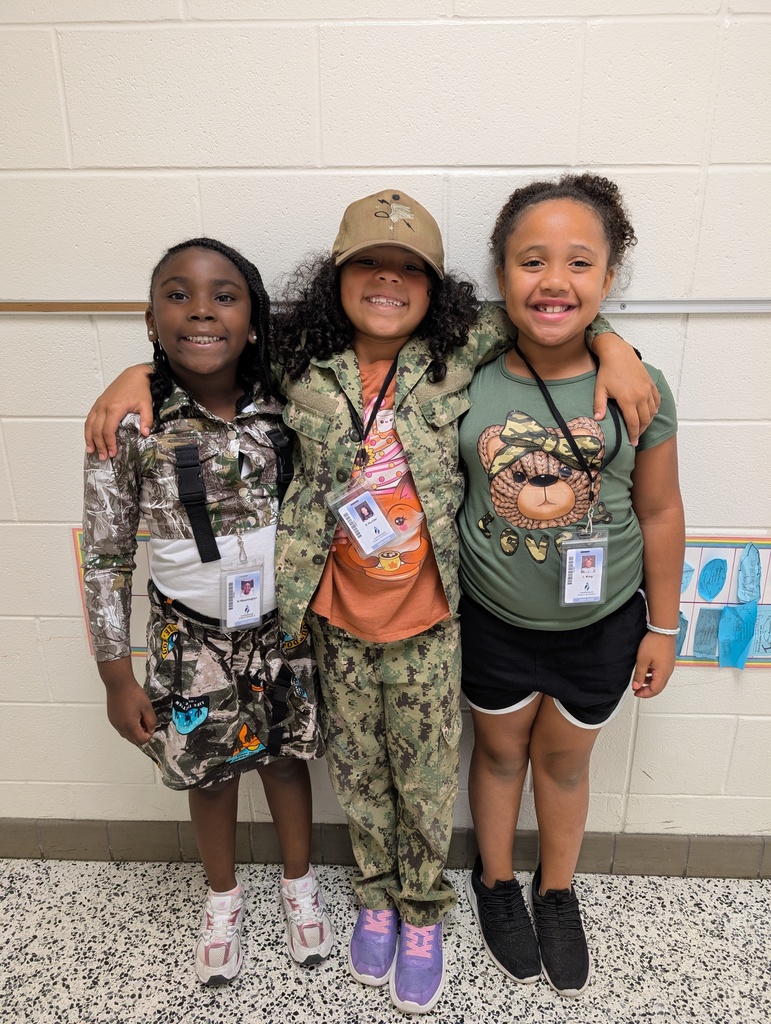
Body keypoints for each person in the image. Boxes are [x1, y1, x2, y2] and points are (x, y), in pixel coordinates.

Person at [83, 190, 658, 1015]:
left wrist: (615, 344)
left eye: (409, 271)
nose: (387, 282)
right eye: (368, 267)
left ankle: (423, 914)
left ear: (436, 288)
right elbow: (205, 346)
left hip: (429, 625)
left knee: (424, 783)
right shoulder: (295, 365)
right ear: (336, 278)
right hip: (332, 624)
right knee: (358, 777)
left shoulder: (460, 349)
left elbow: (553, 316)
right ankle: (377, 900)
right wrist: (134, 369)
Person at [81, 238, 334, 988]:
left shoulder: (289, 406)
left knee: (287, 762)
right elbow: (104, 556)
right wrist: (114, 676)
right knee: (211, 775)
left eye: (224, 295)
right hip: (186, 638)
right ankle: (222, 900)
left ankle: (298, 885)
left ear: (253, 320)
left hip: (282, 630)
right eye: (177, 294)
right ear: (150, 317)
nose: (200, 309)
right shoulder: (129, 423)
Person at [458, 175, 685, 998]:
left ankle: (555, 891)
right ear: (501, 275)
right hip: (493, 621)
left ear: (608, 277)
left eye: (578, 263)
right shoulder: (464, 377)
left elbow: (658, 510)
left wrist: (663, 626)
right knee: (496, 752)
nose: (553, 280)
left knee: (562, 764)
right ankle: (493, 882)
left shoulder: (636, 383)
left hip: (603, 626)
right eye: (531, 261)